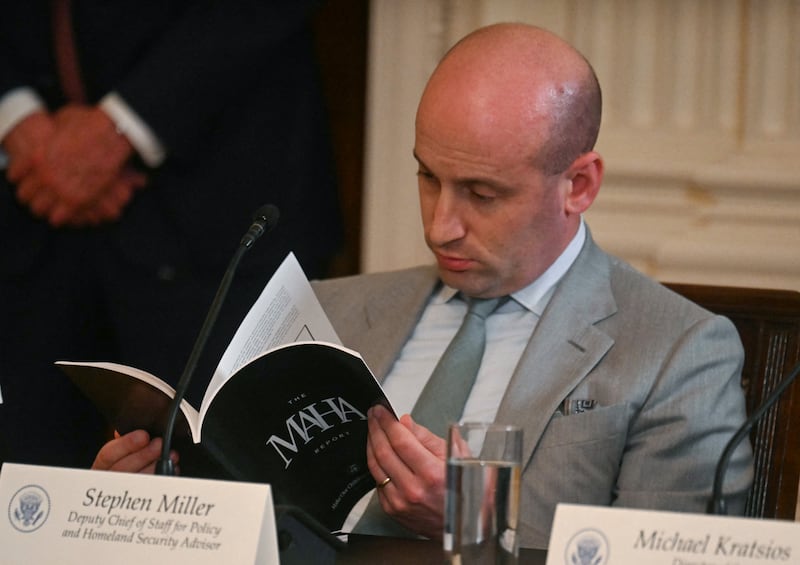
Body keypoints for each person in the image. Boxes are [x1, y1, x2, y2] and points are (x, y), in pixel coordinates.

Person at [89, 23, 753, 548]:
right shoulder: (331, 309)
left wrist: (471, 523)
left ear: (579, 185)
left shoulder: (678, 352)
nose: (442, 225)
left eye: (482, 193)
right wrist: (167, 511)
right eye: (427, 177)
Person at [0, 2, 342, 468]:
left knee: (221, 477)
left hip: (222, 197)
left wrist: (122, 127)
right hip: (29, 208)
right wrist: (15, 118)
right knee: (30, 489)